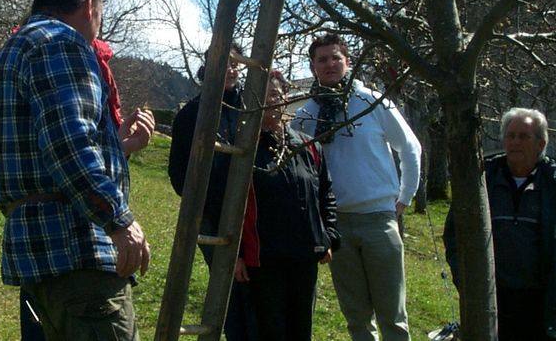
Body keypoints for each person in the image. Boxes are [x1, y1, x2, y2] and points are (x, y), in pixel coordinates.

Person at [0, 0, 152, 341]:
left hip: (40, 254)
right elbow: (68, 146)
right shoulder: (62, 43)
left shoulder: (14, 50)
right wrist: (119, 220)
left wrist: (114, 146)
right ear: (90, 4)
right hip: (76, 249)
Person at [291, 33, 421, 341]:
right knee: (356, 317)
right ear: (313, 67)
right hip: (337, 226)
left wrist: (405, 196)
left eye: (336, 58)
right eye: (322, 60)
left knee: (393, 315)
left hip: (379, 219)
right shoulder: (305, 116)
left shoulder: (373, 102)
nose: (330, 65)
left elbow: (410, 147)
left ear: (348, 62)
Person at [443, 108, 556, 341]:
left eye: (524, 136)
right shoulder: (480, 186)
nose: (515, 142)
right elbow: (454, 234)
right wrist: (463, 277)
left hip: (539, 304)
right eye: (510, 135)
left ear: (541, 143)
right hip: (490, 299)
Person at [234, 71, 341, 341]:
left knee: (301, 329)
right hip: (264, 259)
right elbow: (226, 206)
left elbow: (325, 192)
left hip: (305, 256)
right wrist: (235, 255)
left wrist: (328, 237)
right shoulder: (242, 149)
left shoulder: (306, 145)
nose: (275, 100)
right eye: (267, 95)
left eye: (279, 94)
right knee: (271, 332)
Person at [167, 45, 258, 340]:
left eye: (236, 64)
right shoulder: (191, 114)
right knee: (228, 286)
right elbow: (178, 173)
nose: (230, 69)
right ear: (208, 67)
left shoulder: (251, 106)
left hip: (255, 212)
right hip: (212, 216)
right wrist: (205, 203)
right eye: (224, 63)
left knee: (259, 287)